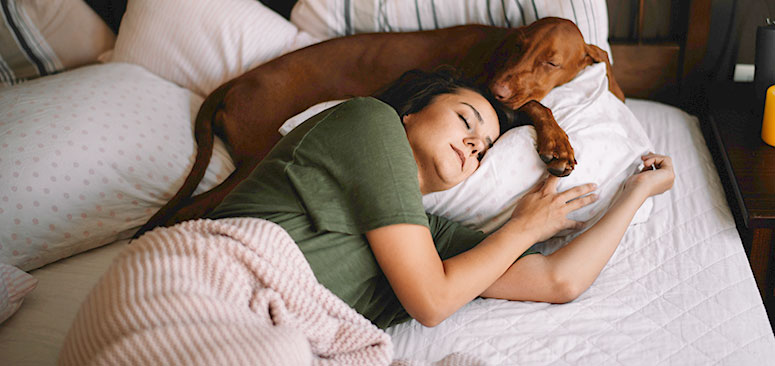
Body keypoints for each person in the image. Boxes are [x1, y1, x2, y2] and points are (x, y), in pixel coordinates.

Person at [207, 67, 675, 329]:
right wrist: (525, 227)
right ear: (411, 113)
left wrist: (636, 192)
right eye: (466, 120)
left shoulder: (430, 243)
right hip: (211, 281)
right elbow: (431, 302)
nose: (475, 144)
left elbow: (559, 280)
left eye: (485, 149)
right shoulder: (369, 122)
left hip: (267, 336)